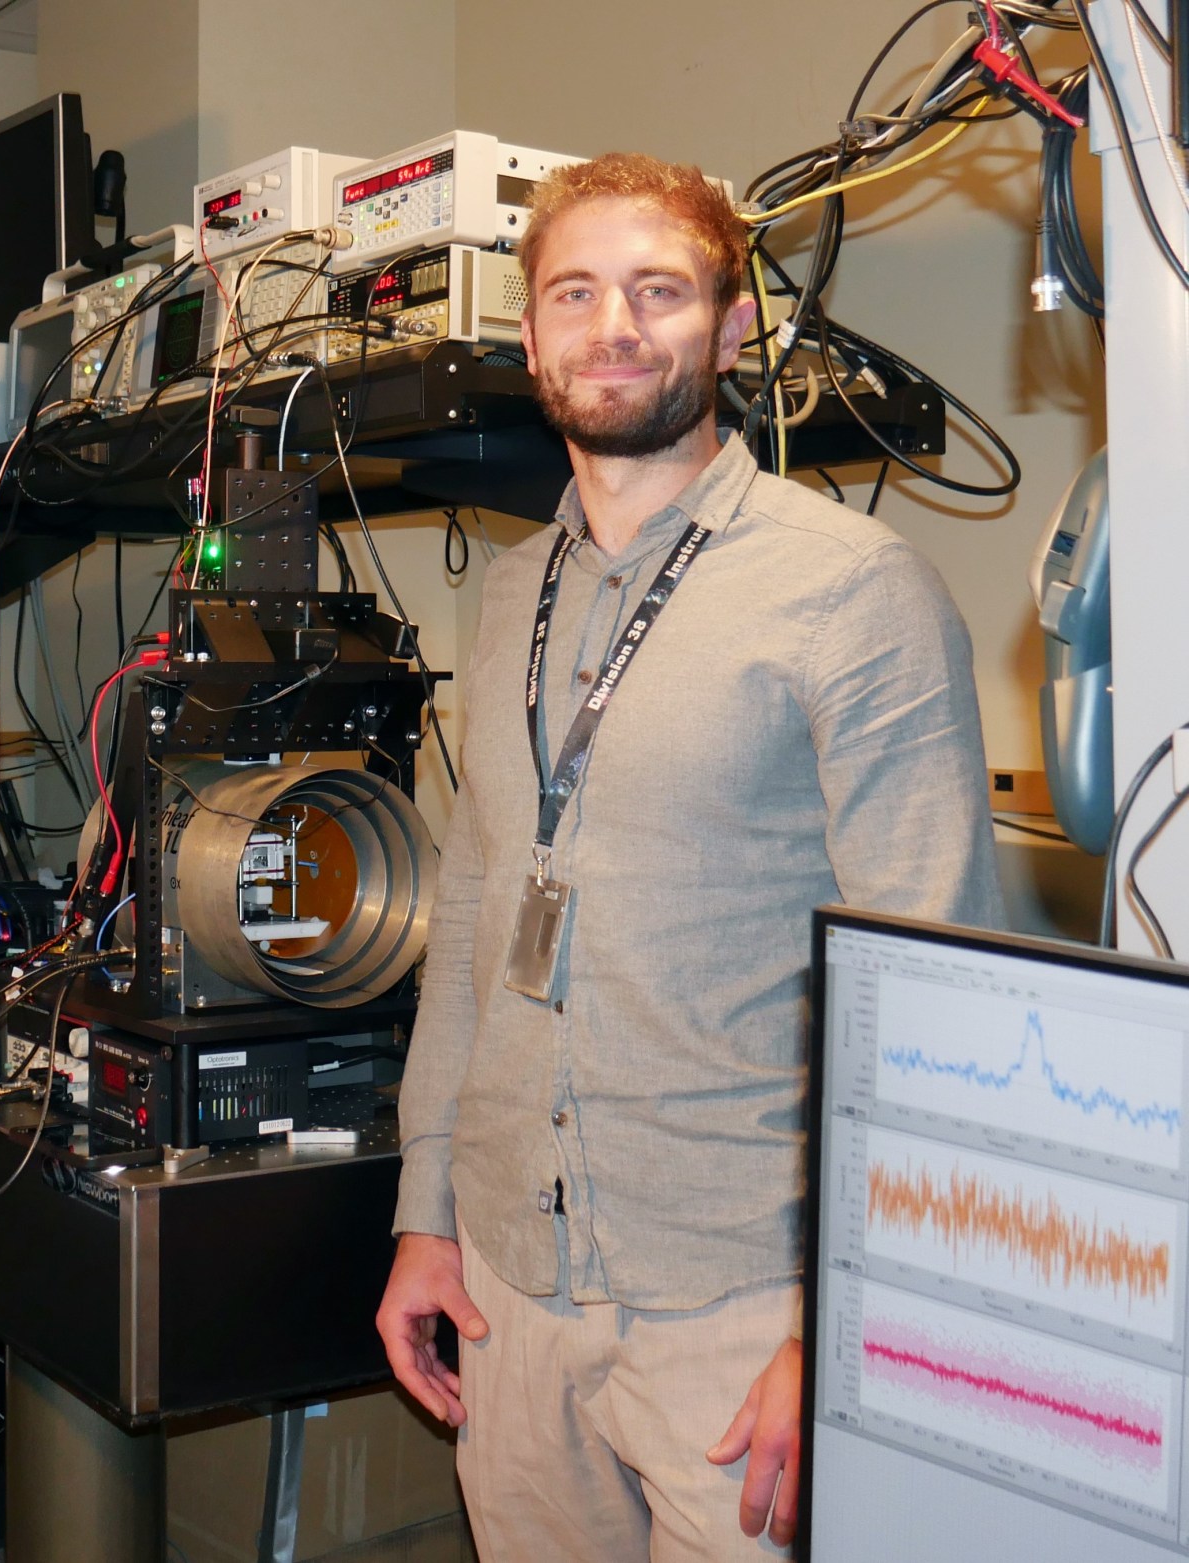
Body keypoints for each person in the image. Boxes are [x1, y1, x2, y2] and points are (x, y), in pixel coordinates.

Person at [375, 154, 1001, 1560]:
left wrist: (845, 1318)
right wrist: (428, 1218)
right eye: (574, 293)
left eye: (659, 292)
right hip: (515, 1292)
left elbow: (934, 977)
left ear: (728, 331)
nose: (614, 325)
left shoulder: (851, 590)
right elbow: (475, 923)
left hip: (738, 1309)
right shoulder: (511, 599)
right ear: (530, 335)